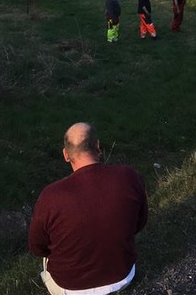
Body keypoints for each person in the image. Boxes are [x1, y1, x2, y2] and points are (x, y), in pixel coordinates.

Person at [28, 122, 148, 295]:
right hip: (123, 277)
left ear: (66, 155)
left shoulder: (51, 196)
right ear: (98, 146)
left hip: (69, 288)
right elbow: (140, 223)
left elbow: (37, 247)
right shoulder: (129, 177)